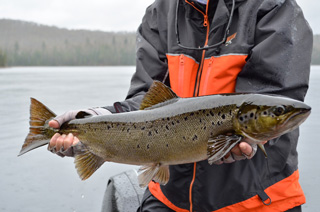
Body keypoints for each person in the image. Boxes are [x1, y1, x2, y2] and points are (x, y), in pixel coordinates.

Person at [48, 0, 313, 211]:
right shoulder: (160, 13)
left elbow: (277, 94)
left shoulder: (274, 9)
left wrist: (249, 141)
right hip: (169, 196)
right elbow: (146, 101)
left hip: (257, 201)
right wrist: (96, 117)